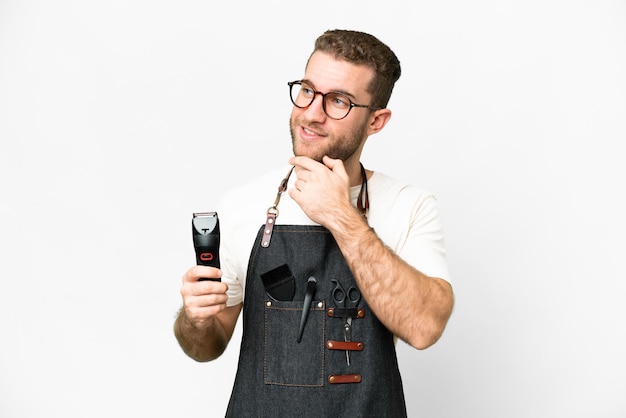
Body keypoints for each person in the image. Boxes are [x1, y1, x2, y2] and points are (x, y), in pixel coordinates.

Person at [174, 29, 454, 417]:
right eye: (307, 89)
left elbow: (424, 328)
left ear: (377, 121)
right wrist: (196, 319)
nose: (311, 113)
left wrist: (341, 215)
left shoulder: (409, 206)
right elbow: (206, 346)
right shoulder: (244, 204)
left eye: (338, 101)